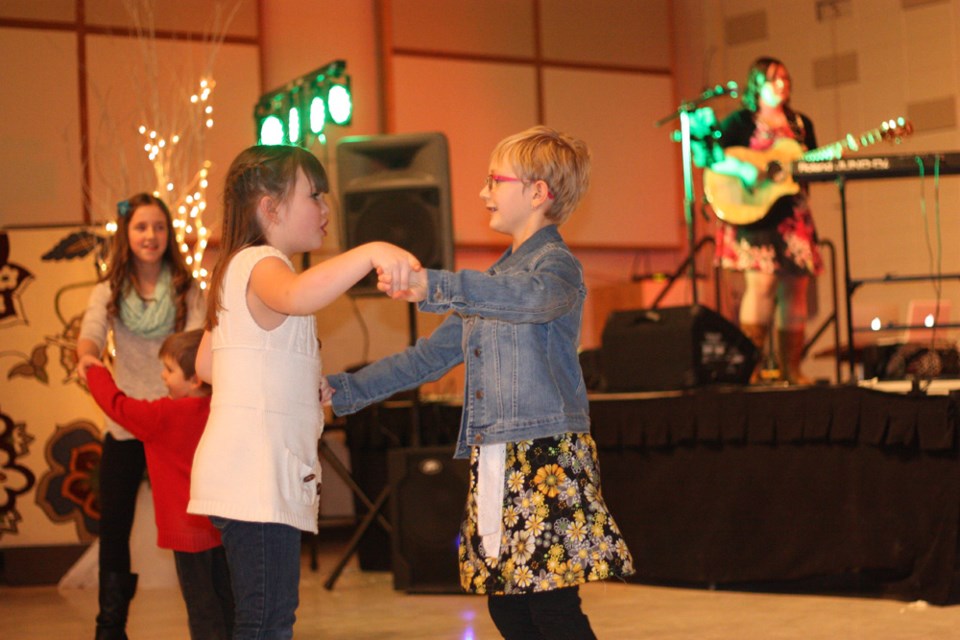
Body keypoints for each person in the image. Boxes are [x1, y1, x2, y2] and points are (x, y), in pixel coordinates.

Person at [326, 126, 635, 639]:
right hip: (495, 454)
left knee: (550, 605)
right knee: (509, 607)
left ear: (538, 193)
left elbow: (530, 300)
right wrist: (343, 390)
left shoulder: (556, 267)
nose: (483, 192)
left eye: (495, 180)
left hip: (544, 457)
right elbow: (427, 358)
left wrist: (438, 284)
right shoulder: (491, 283)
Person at [186, 144, 420, 639]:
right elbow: (295, 296)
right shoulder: (263, 263)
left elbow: (208, 363)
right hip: (256, 479)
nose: (326, 207)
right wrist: (371, 251)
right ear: (270, 208)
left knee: (264, 615)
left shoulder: (235, 268)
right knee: (267, 621)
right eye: (314, 195)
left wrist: (286, 380)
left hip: (249, 478)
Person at [77, 192, 206, 639]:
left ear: (168, 235)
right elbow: (90, 336)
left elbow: (197, 351)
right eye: (141, 227)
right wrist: (88, 357)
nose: (150, 236)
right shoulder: (106, 290)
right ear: (126, 235)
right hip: (127, 424)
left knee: (198, 524)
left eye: (159, 227)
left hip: (180, 425)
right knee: (113, 528)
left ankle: (210, 620)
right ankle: (109, 627)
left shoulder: (188, 288)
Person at [80, 329, 234, 640]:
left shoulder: (163, 415)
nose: (162, 376)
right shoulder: (225, 410)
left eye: (169, 369)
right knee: (229, 604)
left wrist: (94, 371)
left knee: (202, 609)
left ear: (196, 379)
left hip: (187, 533)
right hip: (227, 527)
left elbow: (117, 406)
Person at [706, 56, 823, 384]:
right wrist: (745, 168)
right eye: (774, 79)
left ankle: (792, 369)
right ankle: (751, 368)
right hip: (755, 216)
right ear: (757, 84)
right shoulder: (740, 122)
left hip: (792, 216)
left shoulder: (800, 124)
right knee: (761, 287)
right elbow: (713, 157)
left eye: (785, 78)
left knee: (795, 291)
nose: (782, 84)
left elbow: (812, 164)